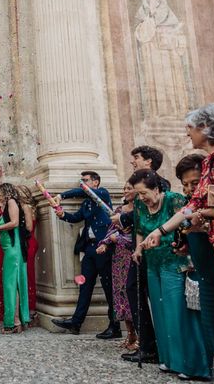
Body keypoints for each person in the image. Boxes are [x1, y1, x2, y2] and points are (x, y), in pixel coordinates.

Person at [143, 103, 214, 380]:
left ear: (207, 128)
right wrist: (160, 230)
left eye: (191, 126)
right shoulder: (210, 160)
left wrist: (206, 212)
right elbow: (191, 206)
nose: (187, 132)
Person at [131, 169, 212, 380]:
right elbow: (140, 228)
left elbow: (186, 224)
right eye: (138, 194)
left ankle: (190, 363)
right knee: (159, 311)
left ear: (157, 189)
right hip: (152, 261)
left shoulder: (175, 200)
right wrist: (138, 249)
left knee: (178, 312)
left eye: (144, 193)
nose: (141, 198)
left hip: (175, 260)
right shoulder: (140, 205)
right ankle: (169, 359)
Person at [175, 153, 214, 383]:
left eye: (195, 183)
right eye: (186, 185)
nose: (191, 189)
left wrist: (206, 226)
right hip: (207, 282)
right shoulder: (189, 209)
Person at [51, 171, 118, 338]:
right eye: (82, 181)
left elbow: (84, 191)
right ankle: (76, 322)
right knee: (85, 287)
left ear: (96, 182)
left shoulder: (103, 193)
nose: (83, 183)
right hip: (89, 250)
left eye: (86, 181)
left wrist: (61, 195)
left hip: (104, 248)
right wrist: (62, 215)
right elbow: (76, 218)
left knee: (109, 289)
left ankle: (115, 326)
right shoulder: (87, 204)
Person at [118, 145, 167, 364]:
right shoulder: (140, 190)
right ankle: (147, 345)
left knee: (146, 294)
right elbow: (139, 222)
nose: (132, 161)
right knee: (134, 291)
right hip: (141, 249)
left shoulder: (159, 184)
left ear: (149, 162)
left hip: (156, 250)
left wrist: (122, 220)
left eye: (136, 158)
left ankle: (151, 347)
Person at [0, 183, 30, 334]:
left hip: (13, 249)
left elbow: (14, 223)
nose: (0, 197)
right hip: (8, 248)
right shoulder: (5, 206)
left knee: (10, 285)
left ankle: (13, 322)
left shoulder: (12, 202)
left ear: (7, 192)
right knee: (12, 285)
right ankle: (17, 320)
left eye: (1, 194)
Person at [96, 182, 136, 350]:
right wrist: (105, 243)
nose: (126, 190)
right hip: (118, 258)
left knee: (133, 295)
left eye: (129, 188)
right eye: (125, 188)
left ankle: (141, 336)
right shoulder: (119, 210)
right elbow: (112, 230)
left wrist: (117, 239)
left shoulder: (139, 211)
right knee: (121, 295)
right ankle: (130, 334)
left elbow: (137, 235)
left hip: (133, 256)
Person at [15, 185, 38, 319]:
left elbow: (29, 227)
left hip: (28, 242)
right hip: (28, 242)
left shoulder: (26, 207)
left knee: (28, 275)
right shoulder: (25, 207)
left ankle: (31, 307)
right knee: (26, 274)